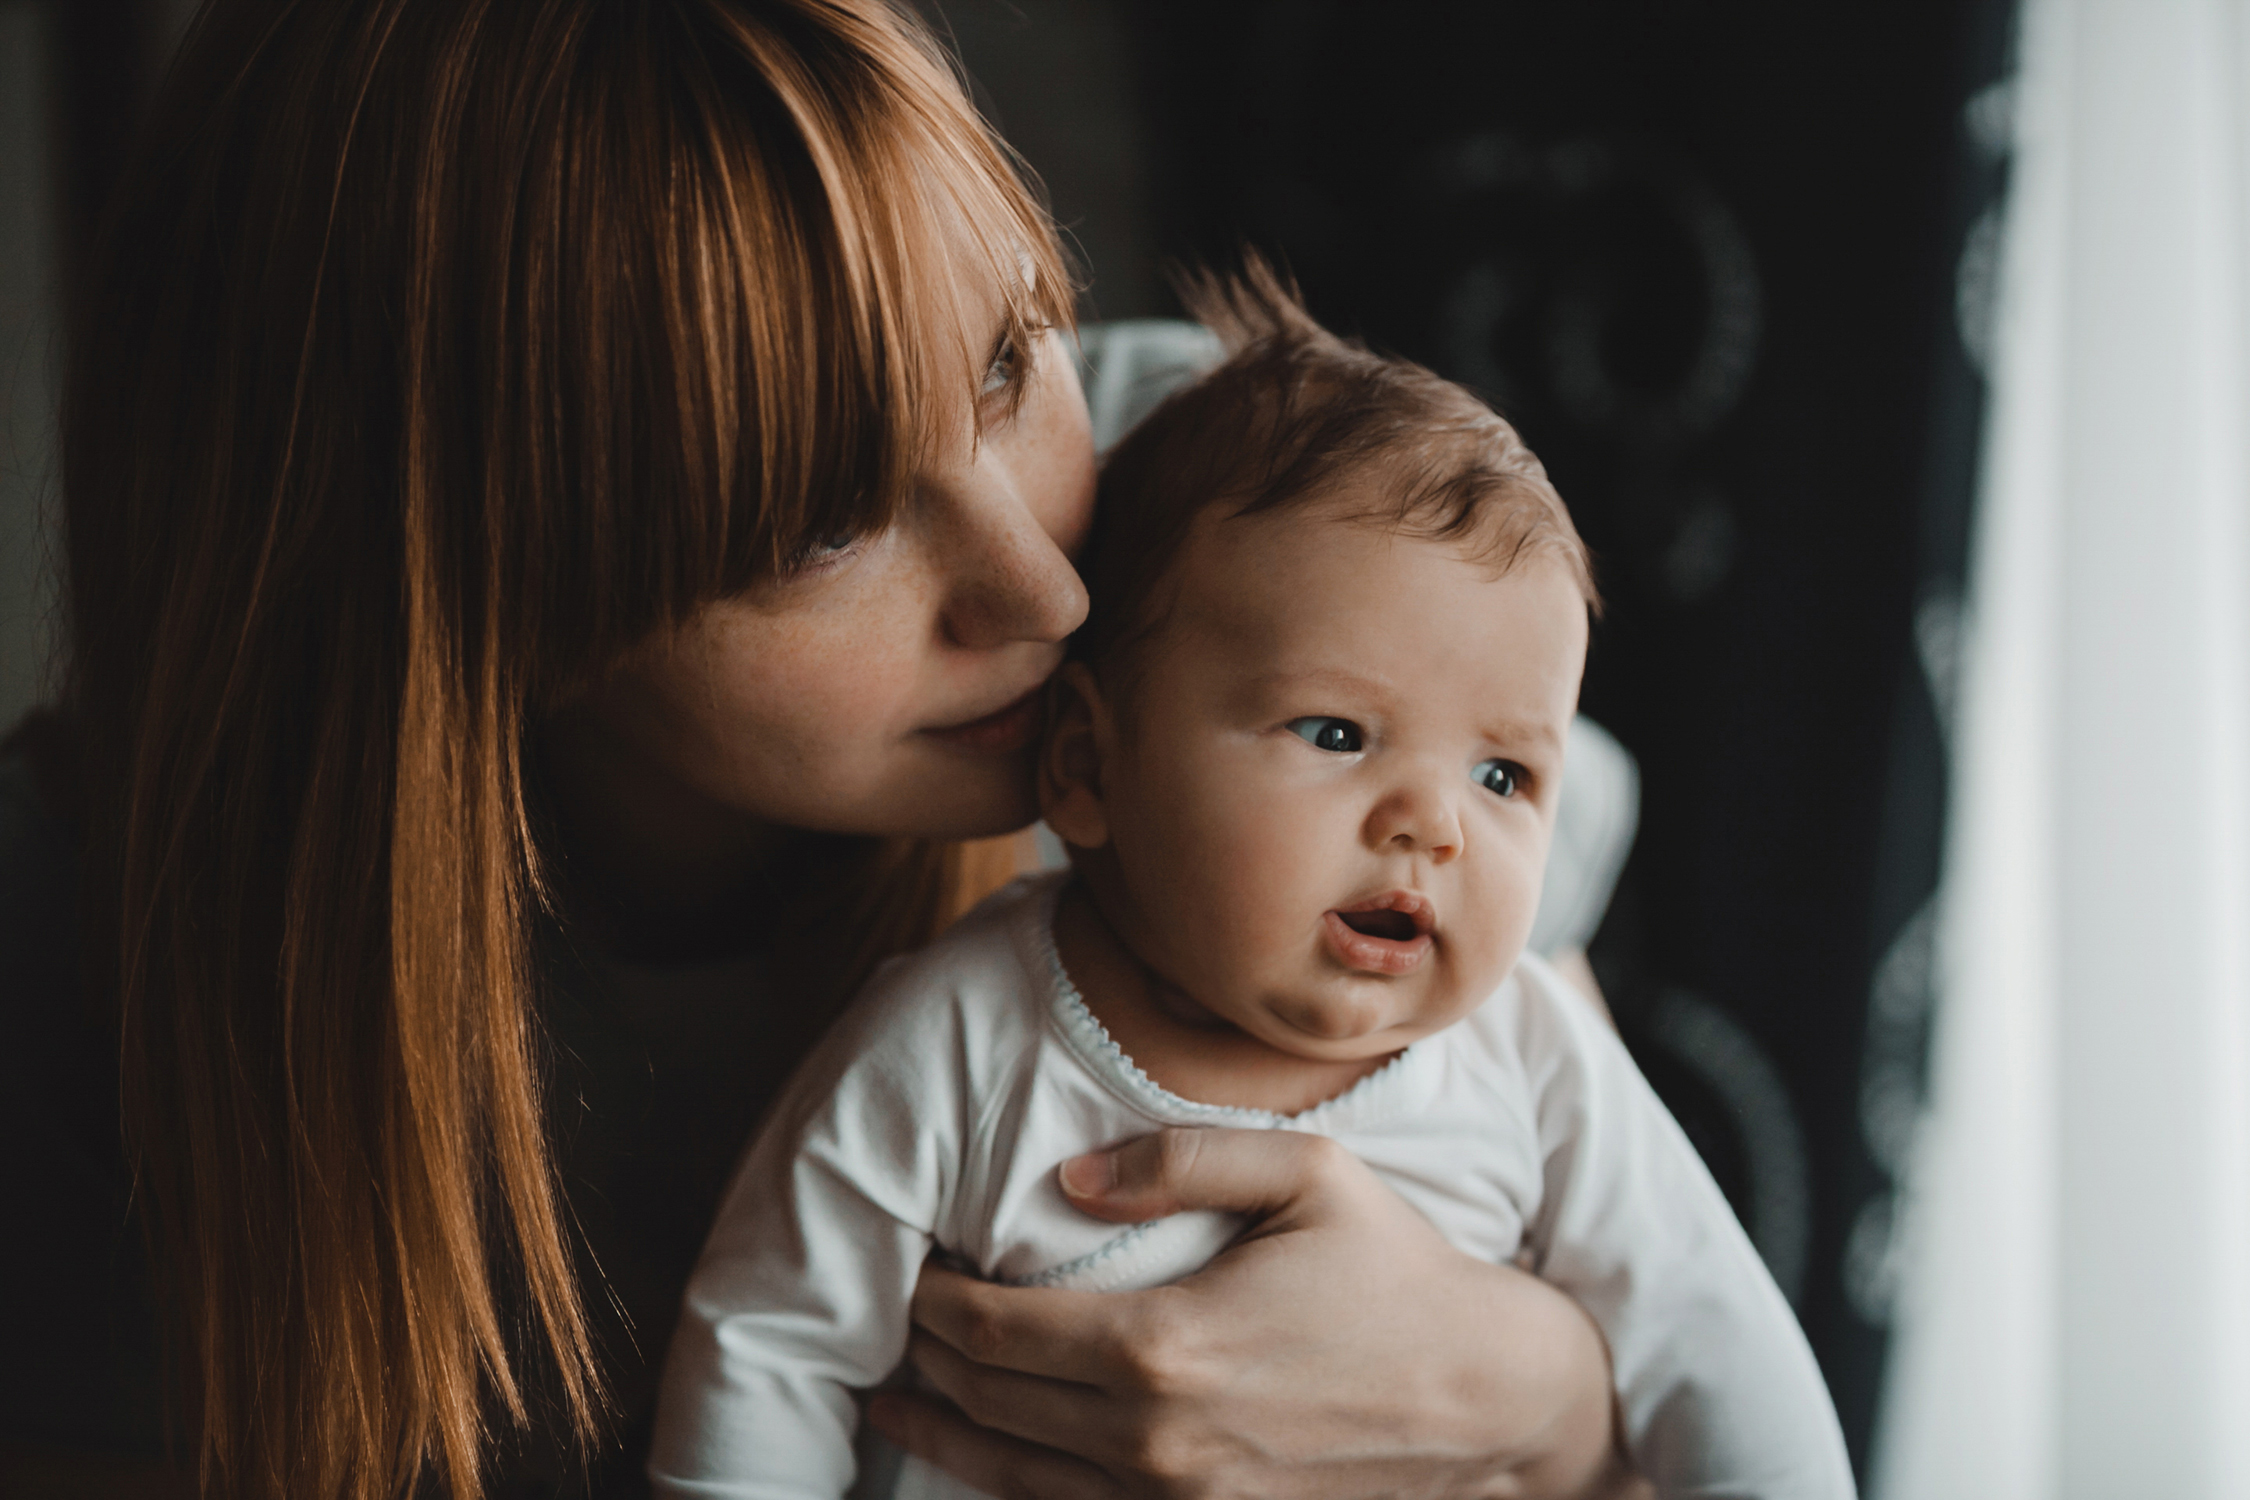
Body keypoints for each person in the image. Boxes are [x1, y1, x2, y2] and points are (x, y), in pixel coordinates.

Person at [0, 2, 1653, 1497]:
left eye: (1010, 365)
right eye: (817, 525)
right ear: (445, 599)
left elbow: (1620, 1259)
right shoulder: (83, 973)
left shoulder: (1233, 536)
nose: (1046, 583)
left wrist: (1534, 1394)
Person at [646, 267, 1855, 1500]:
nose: (1435, 825)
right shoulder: (953, 1041)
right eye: (1336, 734)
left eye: (1503, 776)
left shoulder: (1535, 1057)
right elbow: (768, 1348)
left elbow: (1727, 1369)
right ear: (1086, 765)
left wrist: (1543, 1411)